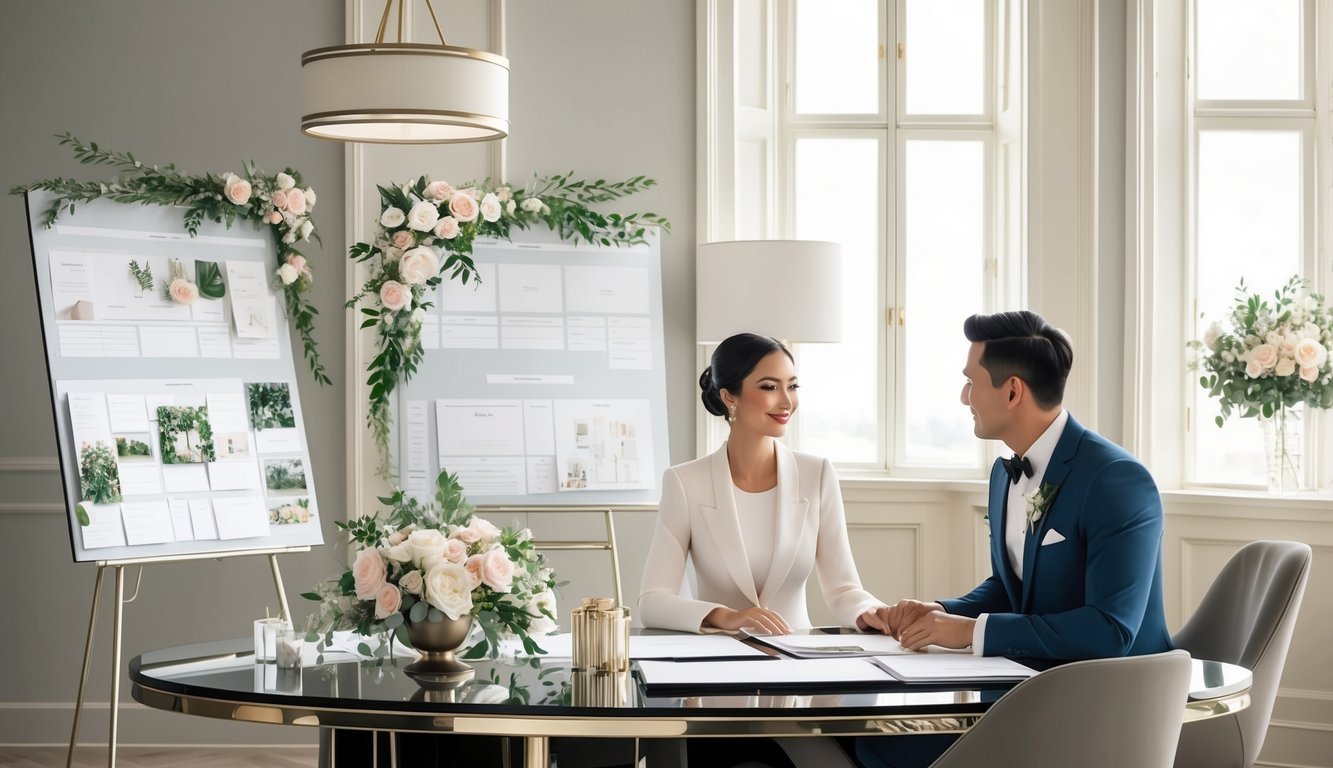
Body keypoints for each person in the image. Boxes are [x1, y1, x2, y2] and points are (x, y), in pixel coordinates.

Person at [857, 310, 1172, 768]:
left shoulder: (1116, 479)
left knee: (881, 747)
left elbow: (1111, 630)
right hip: (1029, 685)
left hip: (1107, 708)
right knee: (869, 735)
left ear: (1011, 390)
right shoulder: (1003, 475)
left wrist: (969, 631)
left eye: (971, 381)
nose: (964, 396)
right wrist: (941, 612)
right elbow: (1014, 587)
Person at [639, 332, 889, 635]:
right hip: (716, 666)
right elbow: (652, 601)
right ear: (729, 396)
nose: (787, 401)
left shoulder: (817, 474)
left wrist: (870, 612)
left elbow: (843, 589)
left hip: (798, 666)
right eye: (770, 387)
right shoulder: (685, 482)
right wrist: (727, 617)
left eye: (793, 386)